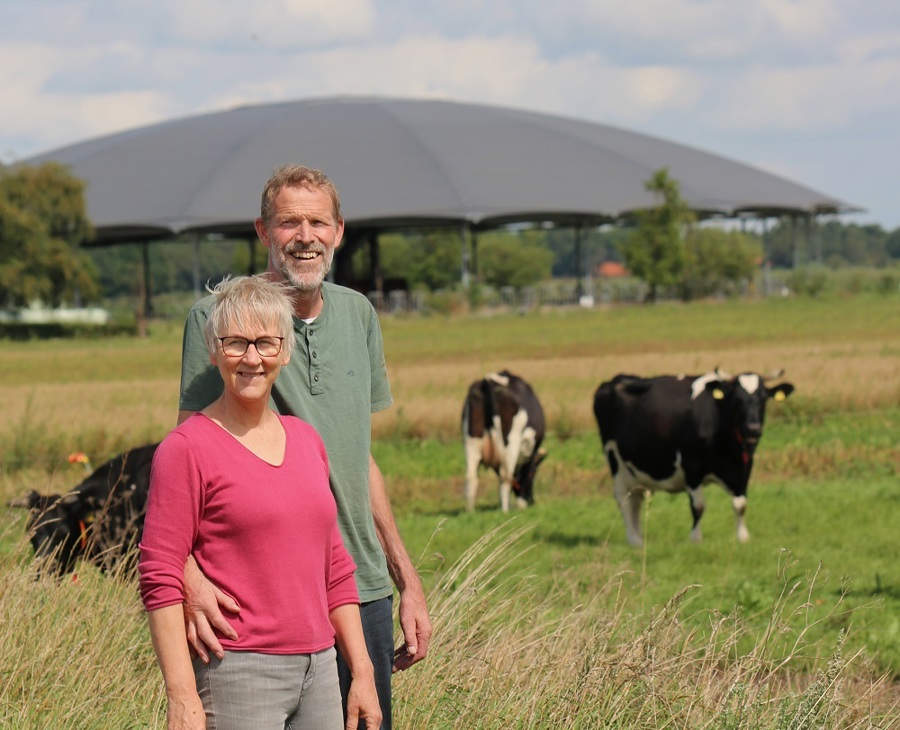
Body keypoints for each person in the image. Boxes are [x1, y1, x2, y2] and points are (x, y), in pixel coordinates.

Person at [177, 164, 431, 729]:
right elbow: (185, 461)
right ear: (263, 231)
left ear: (339, 231)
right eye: (289, 222)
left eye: (318, 223)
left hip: (360, 589)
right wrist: (189, 579)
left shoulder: (359, 314)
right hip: (267, 599)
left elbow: (359, 460)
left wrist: (405, 580)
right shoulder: (219, 320)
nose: (305, 236)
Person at [140, 275, 381, 729]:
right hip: (237, 670)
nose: (252, 358)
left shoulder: (307, 441)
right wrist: (182, 695)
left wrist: (362, 671)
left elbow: (335, 566)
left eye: (266, 343)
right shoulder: (185, 449)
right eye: (236, 343)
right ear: (214, 352)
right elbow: (161, 574)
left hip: (320, 669)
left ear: (284, 352)